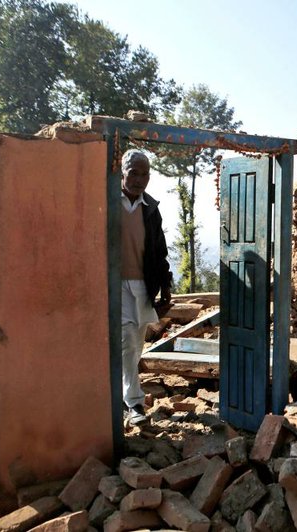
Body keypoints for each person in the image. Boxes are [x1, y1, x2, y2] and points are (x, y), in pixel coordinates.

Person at [120, 149, 172, 426]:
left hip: (142, 284)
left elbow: (160, 252)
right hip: (115, 285)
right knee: (127, 339)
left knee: (136, 344)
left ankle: (122, 397)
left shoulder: (150, 208)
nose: (139, 179)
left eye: (145, 174)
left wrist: (165, 287)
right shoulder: (108, 201)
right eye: (134, 173)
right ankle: (135, 404)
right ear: (122, 173)